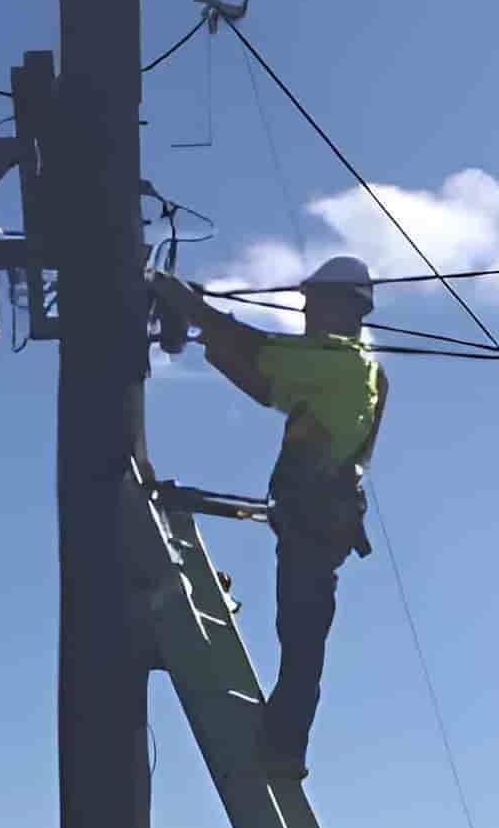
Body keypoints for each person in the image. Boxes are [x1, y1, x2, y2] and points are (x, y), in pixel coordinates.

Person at [152, 252, 388, 777]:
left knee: (301, 635)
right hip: (319, 521)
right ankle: (285, 743)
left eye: (312, 304)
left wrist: (194, 309)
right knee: (301, 635)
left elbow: (262, 356)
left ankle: (284, 749)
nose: (304, 313)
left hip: (315, 522)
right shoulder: (361, 368)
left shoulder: (338, 363)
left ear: (343, 307)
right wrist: (201, 320)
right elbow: (263, 375)